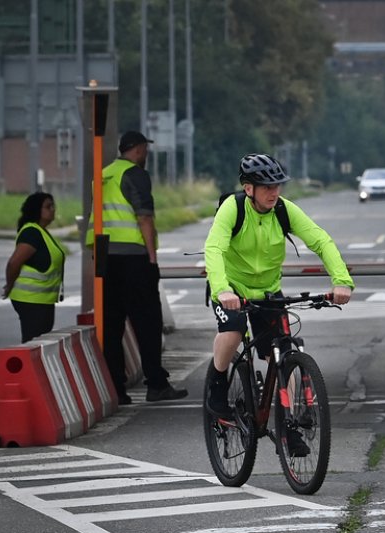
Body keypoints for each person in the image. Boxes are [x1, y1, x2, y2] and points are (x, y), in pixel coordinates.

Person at [203, 153, 354, 455]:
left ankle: (290, 425)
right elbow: (214, 247)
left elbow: (320, 240)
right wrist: (222, 290)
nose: (274, 192)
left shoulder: (284, 210)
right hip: (232, 289)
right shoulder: (233, 209)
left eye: (278, 186)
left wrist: (341, 281)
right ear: (248, 189)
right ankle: (218, 383)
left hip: (269, 291)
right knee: (232, 332)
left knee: (285, 352)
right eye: (266, 187)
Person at [86, 130, 187, 405]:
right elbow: (144, 217)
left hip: (105, 256)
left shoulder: (103, 174)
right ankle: (156, 383)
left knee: (112, 325)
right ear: (139, 149)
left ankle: (116, 389)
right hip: (133, 257)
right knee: (148, 322)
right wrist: (152, 260)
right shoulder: (135, 174)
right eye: (145, 150)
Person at [3, 192, 66, 343]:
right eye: (48, 206)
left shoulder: (41, 232)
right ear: (36, 209)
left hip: (43, 300)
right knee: (33, 344)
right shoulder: (32, 232)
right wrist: (9, 285)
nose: (53, 209)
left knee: (39, 343)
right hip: (31, 300)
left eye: (53, 206)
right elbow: (14, 263)